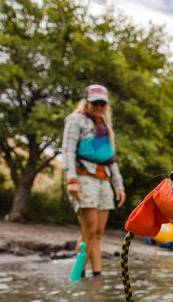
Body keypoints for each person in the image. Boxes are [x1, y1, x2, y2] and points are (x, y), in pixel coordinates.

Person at [62, 84, 126, 277]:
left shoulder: (104, 125)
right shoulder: (76, 119)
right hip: (84, 178)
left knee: (98, 232)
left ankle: (97, 275)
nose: (98, 106)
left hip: (103, 181)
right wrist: (71, 179)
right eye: (94, 102)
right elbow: (68, 149)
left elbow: (111, 159)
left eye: (102, 103)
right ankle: (78, 274)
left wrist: (118, 186)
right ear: (86, 101)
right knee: (88, 230)